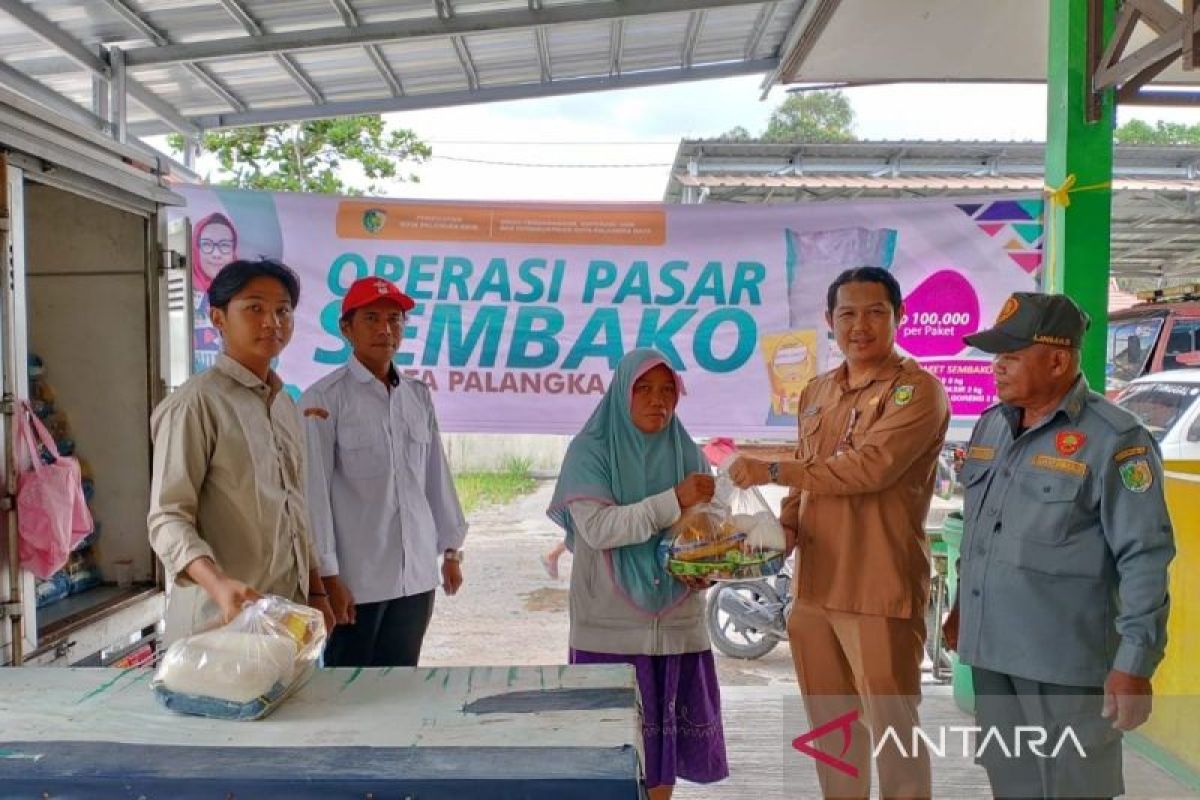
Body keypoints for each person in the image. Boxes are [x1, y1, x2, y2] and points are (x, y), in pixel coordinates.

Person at [943, 292, 1175, 799]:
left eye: (1010, 356)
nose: (996, 368)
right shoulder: (992, 426)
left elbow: (1145, 559)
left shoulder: (1116, 439)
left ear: (1057, 359)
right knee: (1011, 784)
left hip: (1066, 667)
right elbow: (983, 532)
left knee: (1075, 790)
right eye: (995, 357)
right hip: (993, 656)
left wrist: (1133, 667)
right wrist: (962, 608)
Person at [729, 266, 949, 799]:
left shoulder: (916, 392)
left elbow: (869, 468)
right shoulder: (817, 392)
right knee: (833, 731)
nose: (860, 325)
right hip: (814, 591)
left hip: (878, 588)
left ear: (899, 317)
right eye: (847, 313)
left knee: (893, 732)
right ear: (829, 321)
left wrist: (773, 468)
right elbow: (809, 474)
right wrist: (780, 527)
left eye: (876, 312)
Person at [548, 348, 728, 800]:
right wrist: (673, 499)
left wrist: (708, 564)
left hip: (677, 627)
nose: (657, 400)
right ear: (621, 394)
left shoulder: (686, 450)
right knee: (608, 759)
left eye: (668, 390)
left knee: (663, 758)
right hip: (609, 633)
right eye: (644, 389)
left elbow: (707, 529)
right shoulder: (590, 451)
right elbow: (599, 529)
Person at [148, 258, 333, 641]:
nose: (272, 322)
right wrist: (218, 585)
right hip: (218, 624)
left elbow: (295, 507)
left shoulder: (284, 405)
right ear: (218, 318)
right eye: (254, 308)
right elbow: (167, 518)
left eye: (283, 310)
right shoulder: (196, 404)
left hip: (286, 619)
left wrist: (316, 591)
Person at [301, 277, 467, 667]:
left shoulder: (416, 394)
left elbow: (435, 476)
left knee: (402, 681)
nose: (385, 329)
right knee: (349, 689)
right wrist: (327, 579)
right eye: (371, 318)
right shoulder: (323, 399)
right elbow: (313, 494)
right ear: (346, 328)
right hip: (357, 582)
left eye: (395, 319)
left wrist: (451, 550)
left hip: (416, 578)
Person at [191, 212, 239, 293]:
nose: (216, 254)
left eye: (224, 245)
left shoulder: (245, 289)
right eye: (207, 244)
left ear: (233, 252)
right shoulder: (180, 291)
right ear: (196, 250)